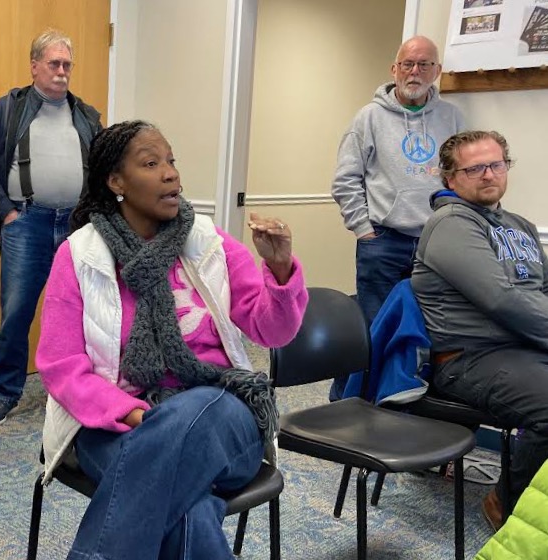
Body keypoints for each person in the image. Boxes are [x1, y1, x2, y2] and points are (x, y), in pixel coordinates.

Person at [35, 121, 308, 559]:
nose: (171, 174)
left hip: (221, 413)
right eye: (151, 163)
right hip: (113, 425)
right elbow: (61, 366)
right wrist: (136, 414)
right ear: (115, 181)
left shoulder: (208, 243)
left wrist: (279, 272)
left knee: (192, 408)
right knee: (190, 511)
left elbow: (271, 331)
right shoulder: (80, 255)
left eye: (171, 161)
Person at [411, 130, 548, 532]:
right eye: (474, 168)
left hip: (522, 349)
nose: (488, 175)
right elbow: (502, 299)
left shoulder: (518, 225)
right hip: (469, 359)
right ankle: (506, 502)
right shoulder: (452, 224)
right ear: (451, 178)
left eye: (496, 164)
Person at [0, 29, 102, 426]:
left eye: (67, 65)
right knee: (17, 311)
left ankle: (77, 389)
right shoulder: (9, 108)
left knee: (81, 312)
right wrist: (6, 211)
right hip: (26, 223)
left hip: (77, 226)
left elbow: (105, 169)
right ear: (34, 66)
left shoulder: (87, 115)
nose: (62, 72)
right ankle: (6, 392)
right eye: (54, 64)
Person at [330, 35, 464, 399]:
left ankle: (401, 404)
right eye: (408, 63)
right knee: (374, 329)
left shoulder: (452, 117)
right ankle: (350, 403)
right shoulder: (369, 117)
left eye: (424, 64)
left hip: (435, 245)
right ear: (394, 69)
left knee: (425, 330)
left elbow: (459, 177)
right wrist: (363, 230)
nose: (415, 71)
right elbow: (345, 179)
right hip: (383, 242)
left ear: (437, 71)